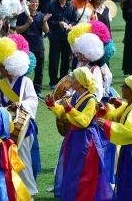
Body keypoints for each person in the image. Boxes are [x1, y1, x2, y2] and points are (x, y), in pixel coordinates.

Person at [45, 67, 113, 200]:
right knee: (72, 169)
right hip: (74, 137)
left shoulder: (91, 100)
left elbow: (84, 121)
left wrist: (69, 108)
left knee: (86, 172)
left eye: (74, 79)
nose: (71, 80)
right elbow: (62, 112)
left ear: (81, 82)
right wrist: (52, 104)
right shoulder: (75, 95)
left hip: (87, 140)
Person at [0, 37, 40, 197]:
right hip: (7, 127)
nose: (0, 67)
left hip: (24, 126)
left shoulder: (26, 81)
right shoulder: (0, 84)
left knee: (24, 158)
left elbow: (32, 100)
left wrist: (21, 104)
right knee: (10, 159)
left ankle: (30, 191)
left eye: (2, 64)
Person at [16, 0, 51, 95]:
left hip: (38, 46)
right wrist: (27, 24)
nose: (35, 4)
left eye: (36, 2)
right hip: (25, 47)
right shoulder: (22, 16)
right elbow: (18, 30)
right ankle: (20, 90)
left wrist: (44, 21)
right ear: (28, 3)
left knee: (39, 71)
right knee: (23, 70)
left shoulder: (41, 15)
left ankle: (37, 91)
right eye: (32, 2)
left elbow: (46, 30)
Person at [47, 0, 77, 89]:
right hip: (55, 36)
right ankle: (53, 82)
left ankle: (63, 81)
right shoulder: (51, 6)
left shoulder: (71, 7)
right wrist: (58, 23)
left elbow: (74, 20)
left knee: (66, 60)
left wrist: (70, 25)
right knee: (54, 60)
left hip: (67, 36)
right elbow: (48, 21)